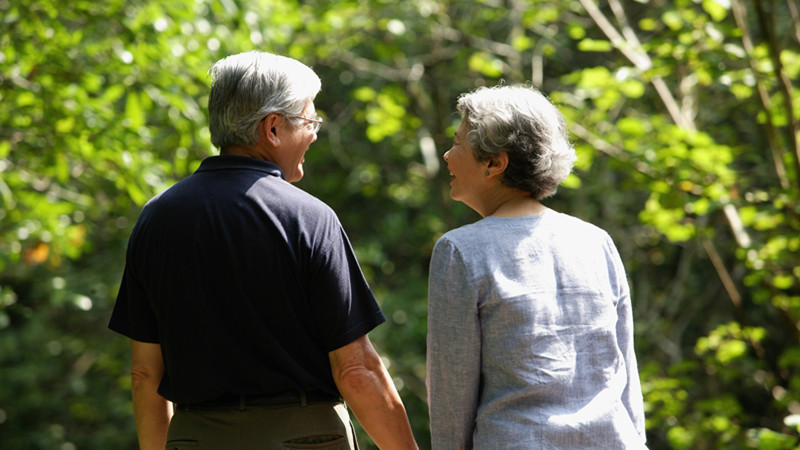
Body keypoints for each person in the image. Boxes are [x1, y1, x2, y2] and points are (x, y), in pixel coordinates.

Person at [109, 51, 418, 450]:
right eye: (309, 121)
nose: (315, 133)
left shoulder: (155, 220)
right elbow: (356, 368)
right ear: (272, 128)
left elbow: (145, 375)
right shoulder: (310, 218)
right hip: (306, 439)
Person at [426, 84, 647, 449]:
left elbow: (451, 395)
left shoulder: (460, 251)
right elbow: (626, 380)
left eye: (458, 143)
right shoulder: (597, 242)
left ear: (495, 163)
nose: (448, 155)